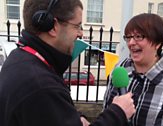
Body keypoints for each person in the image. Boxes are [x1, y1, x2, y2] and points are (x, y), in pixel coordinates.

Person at [0, 0, 135, 126]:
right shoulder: (42, 85)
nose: (81, 33)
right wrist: (118, 113)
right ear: (52, 26)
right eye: (77, 26)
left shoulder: (20, 59)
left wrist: (74, 118)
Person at [103, 13, 163, 126]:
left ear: (157, 43)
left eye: (138, 36)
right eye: (128, 37)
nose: (131, 43)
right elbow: (106, 112)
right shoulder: (120, 69)